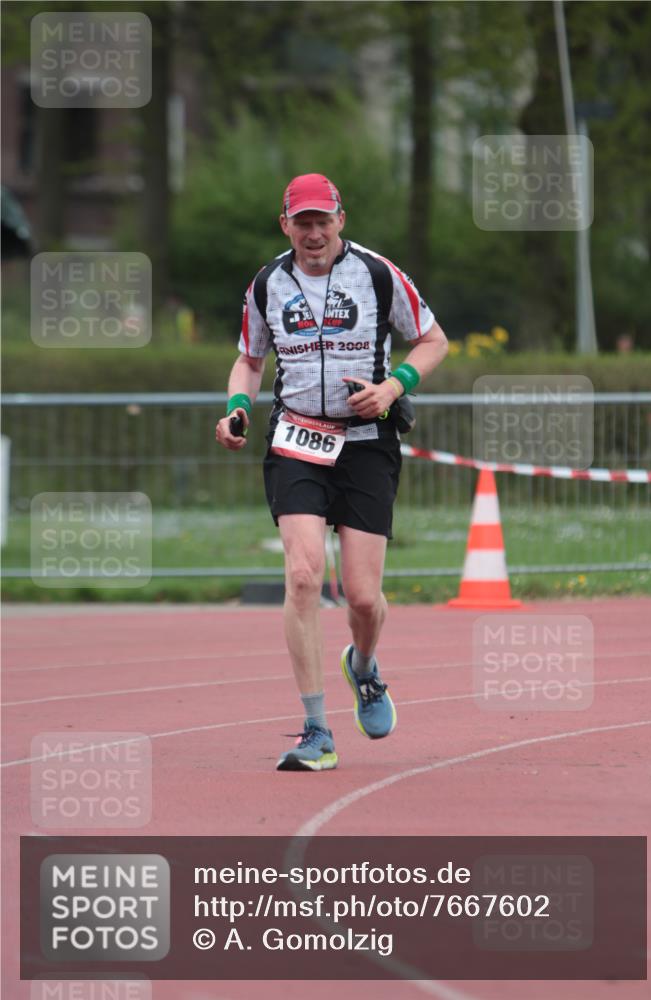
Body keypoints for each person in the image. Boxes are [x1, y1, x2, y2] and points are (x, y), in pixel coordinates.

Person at [216, 173, 448, 772]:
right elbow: (248, 360)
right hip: (296, 440)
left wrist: (395, 385)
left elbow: (433, 341)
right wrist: (238, 408)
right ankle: (316, 730)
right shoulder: (268, 283)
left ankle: (364, 669)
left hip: (368, 444)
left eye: (323, 220)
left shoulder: (377, 274)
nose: (313, 232)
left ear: (341, 219)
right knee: (302, 576)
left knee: (364, 598)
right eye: (302, 221)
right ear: (285, 225)